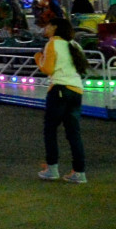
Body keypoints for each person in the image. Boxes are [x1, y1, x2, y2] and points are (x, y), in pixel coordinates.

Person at [36, 16, 88, 183]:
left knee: (50, 130)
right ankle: (79, 172)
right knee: (73, 133)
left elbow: (47, 69)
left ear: (55, 27)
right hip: (76, 90)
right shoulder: (74, 45)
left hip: (59, 90)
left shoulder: (53, 43)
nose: (45, 28)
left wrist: (38, 58)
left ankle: (52, 168)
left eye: (48, 25)